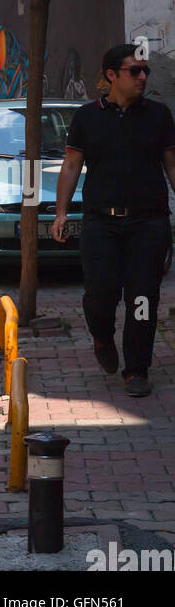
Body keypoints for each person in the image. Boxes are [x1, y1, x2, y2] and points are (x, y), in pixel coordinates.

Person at [53, 44, 175, 397]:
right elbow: (72, 165)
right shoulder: (87, 117)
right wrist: (61, 212)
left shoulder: (159, 115)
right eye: (134, 71)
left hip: (149, 224)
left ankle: (136, 368)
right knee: (101, 293)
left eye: (145, 71)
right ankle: (102, 336)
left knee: (142, 296)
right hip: (100, 224)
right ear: (111, 75)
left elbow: (171, 165)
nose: (142, 77)